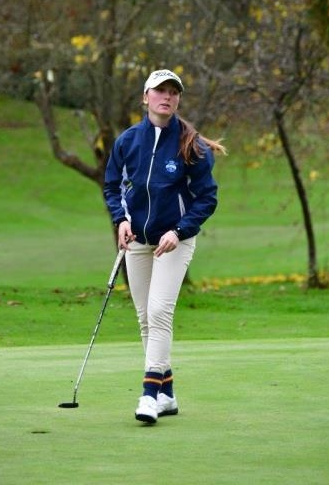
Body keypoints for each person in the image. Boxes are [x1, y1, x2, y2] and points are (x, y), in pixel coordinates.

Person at [104, 69, 225, 424]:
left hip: (176, 241)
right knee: (145, 318)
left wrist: (181, 229)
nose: (166, 97)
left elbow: (207, 198)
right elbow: (113, 186)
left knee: (159, 312)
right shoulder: (127, 141)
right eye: (159, 91)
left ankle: (149, 394)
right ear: (145, 98)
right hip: (138, 242)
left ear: (178, 100)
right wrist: (121, 220)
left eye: (173, 92)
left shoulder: (193, 145)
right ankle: (168, 395)